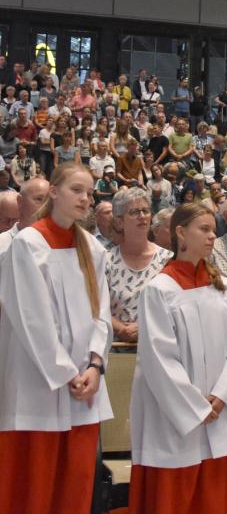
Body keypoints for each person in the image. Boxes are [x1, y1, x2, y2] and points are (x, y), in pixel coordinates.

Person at [0, 162, 112, 514]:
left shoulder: (93, 248)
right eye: (76, 190)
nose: (84, 198)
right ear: (53, 192)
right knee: (33, 485)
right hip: (39, 385)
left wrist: (95, 365)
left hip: (85, 387)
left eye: (90, 193)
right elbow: (30, 318)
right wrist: (67, 372)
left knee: (75, 485)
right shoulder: (28, 244)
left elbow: (102, 314)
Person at [127, 203, 227, 514]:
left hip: (218, 410)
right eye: (204, 230)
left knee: (216, 497)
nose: (212, 237)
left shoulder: (225, 289)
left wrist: (222, 395)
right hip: (175, 416)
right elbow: (158, 358)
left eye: (213, 230)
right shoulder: (158, 290)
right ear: (181, 232)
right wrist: (196, 407)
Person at [106, 188, 172, 342]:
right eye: (134, 212)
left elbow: (175, 307)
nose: (142, 216)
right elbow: (96, 307)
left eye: (145, 210)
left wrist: (145, 328)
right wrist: (121, 328)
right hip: (116, 351)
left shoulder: (168, 259)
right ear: (119, 221)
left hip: (159, 347)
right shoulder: (106, 260)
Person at [0, 177, 49, 257]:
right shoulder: (3, 244)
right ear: (20, 201)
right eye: (39, 199)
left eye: (49, 201)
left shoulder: (60, 242)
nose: (46, 206)